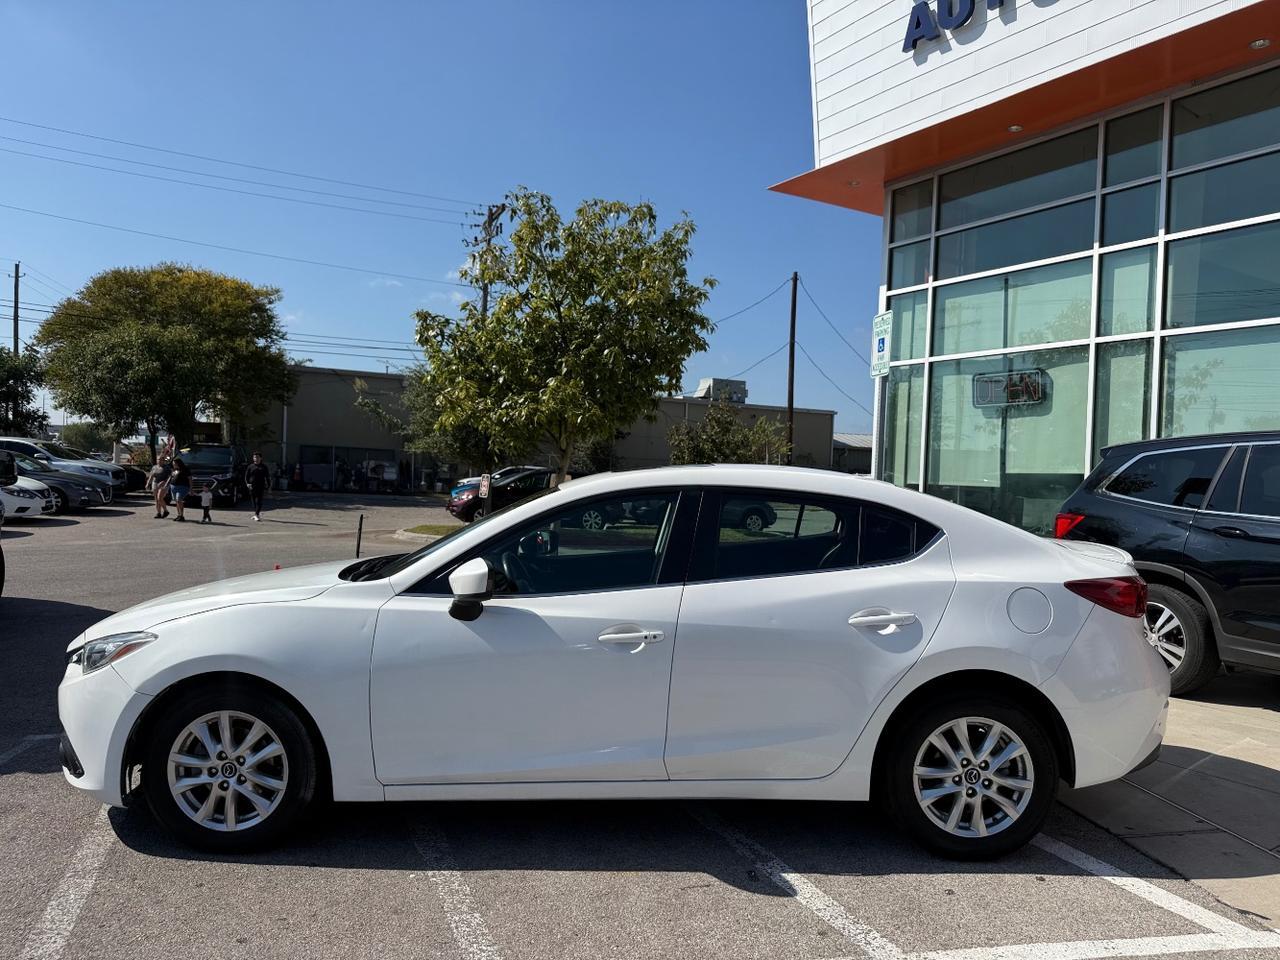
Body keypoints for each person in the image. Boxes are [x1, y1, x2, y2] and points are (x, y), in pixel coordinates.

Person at [245, 451, 270, 521]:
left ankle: (257, 514)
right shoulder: (250, 466)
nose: (256, 458)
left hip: (261, 486)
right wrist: (247, 483)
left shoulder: (264, 467)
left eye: (258, 457)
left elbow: (267, 477)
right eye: (255, 457)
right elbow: (246, 476)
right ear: (253, 458)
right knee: (253, 501)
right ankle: (256, 513)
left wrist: (269, 485)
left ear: (261, 458)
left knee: (259, 501)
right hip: (252, 486)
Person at [168, 457, 191, 522]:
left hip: (183, 487)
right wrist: (166, 485)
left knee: (179, 500)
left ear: (178, 463)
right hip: (173, 487)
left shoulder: (185, 469)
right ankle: (179, 515)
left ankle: (182, 516)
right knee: (177, 501)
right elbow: (170, 477)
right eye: (173, 464)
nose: (173, 465)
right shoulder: (174, 470)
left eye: (174, 463)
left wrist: (191, 488)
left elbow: (190, 478)